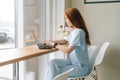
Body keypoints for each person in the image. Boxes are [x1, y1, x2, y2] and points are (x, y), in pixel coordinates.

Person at [44, 8, 91, 80]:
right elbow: (65, 40)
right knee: (52, 63)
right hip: (73, 63)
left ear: (73, 19)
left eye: (67, 18)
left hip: (80, 67)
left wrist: (54, 45)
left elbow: (68, 50)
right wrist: (52, 42)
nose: (66, 21)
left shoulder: (79, 32)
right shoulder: (74, 31)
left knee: (55, 70)